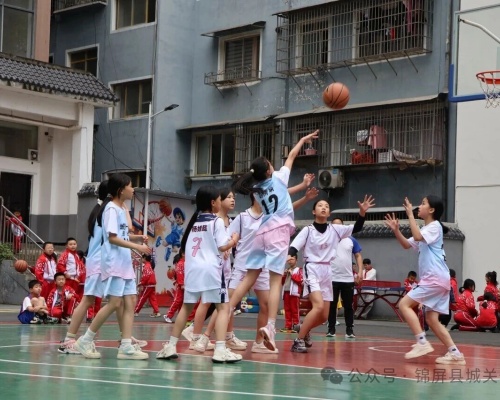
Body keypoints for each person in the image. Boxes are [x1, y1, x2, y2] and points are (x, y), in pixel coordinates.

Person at [229, 130, 320, 351]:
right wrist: (303, 140)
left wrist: (302, 188)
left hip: (262, 233)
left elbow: (284, 191)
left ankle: (227, 309)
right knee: (275, 281)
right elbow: (292, 156)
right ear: (269, 170)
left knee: (249, 278)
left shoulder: (256, 189)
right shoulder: (278, 178)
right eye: (271, 163)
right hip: (278, 234)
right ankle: (270, 326)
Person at [156, 185, 241, 363]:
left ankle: (170, 346)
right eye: (220, 199)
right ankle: (220, 349)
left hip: (193, 270)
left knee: (186, 308)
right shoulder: (216, 221)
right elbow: (222, 246)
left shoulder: (193, 223)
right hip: (211, 270)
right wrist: (234, 240)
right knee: (223, 308)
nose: (221, 202)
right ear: (213, 202)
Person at [74, 173, 151, 360]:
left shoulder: (120, 209)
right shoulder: (110, 209)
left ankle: (126, 346)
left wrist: (137, 238)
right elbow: (112, 238)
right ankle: (85, 339)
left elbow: (122, 234)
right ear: (121, 190)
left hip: (124, 262)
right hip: (114, 262)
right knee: (115, 303)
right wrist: (138, 247)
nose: (133, 189)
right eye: (130, 186)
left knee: (130, 300)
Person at [384, 195, 466, 365]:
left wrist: (410, 215)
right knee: (432, 319)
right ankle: (455, 354)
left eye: (423, 203)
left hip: (434, 278)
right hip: (440, 280)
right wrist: (396, 230)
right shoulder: (427, 230)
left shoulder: (434, 227)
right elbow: (407, 244)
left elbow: (417, 236)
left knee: (404, 304)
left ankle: (422, 342)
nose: (419, 206)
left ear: (431, 210)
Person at [288, 197, 374, 353]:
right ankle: (298, 340)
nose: (323, 207)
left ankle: (304, 327)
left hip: (328, 271)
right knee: (318, 306)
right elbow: (294, 247)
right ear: (314, 211)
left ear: (328, 213)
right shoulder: (308, 230)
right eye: (320, 205)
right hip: (312, 268)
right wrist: (290, 255)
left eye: (326, 206)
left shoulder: (335, 229)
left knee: (324, 316)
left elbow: (357, 227)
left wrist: (362, 213)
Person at [327, 218, 363, 338]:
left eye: (340, 225)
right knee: (332, 305)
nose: (338, 228)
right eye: (335, 225)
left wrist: (360, 272)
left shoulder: (351, 239)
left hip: (347, 278)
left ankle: (349, 330)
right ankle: (331, 329)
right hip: (331, 278)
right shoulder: (327, 239)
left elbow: (358, 255)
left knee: (348, 305)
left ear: (344, 227)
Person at [281, 254, 303, 333]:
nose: (290, 261)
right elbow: (282, 282)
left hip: (294, 293)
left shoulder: (299, 270)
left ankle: (296, 326)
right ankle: (288, 326)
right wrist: (284, 275)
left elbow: (300, 280)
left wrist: (292, 274)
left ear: (296, 260)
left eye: (292, 259)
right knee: (287, 310)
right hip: (286, 291)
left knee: (295, 310)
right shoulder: (287, 270)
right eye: (289, 260)